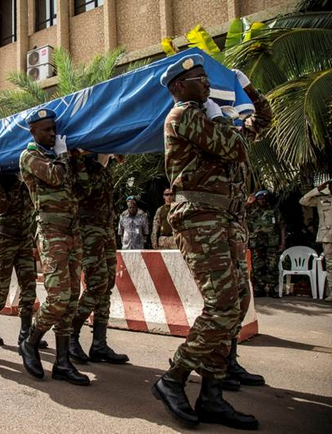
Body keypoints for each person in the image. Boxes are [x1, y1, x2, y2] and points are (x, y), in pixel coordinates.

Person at [152, 54, 258, 429]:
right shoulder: (184, 115)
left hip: (224, 218)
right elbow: (237, 147)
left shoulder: (208, 115)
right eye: (200, 79)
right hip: (200, 218)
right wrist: (228, 119)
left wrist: (251, 95)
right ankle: (173, 378)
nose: (208, 84)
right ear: (180, 87)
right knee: (223, 305)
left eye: (207, 78)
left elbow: (257, 126)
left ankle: (212, 396)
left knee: (237, 301)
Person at [18, 109, 90, 386]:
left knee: (71, 299)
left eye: (53, 129)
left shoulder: (61, 158)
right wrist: (63, 154)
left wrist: (80, 159)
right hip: (51, 231)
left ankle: (62, 362)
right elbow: (56, 178)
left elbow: (80, 189)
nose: (51, 133)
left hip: (72, 232)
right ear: (33, 131)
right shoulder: (30, 156)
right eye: (46, 129)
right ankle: (30, 341)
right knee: (58, 296)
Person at [224, 68, 272, 392]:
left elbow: (265, 119)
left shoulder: (239, 129)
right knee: (226, 298)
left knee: (241, 297)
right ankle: (217, 365)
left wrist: (249, 88)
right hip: (216, 223)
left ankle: (229, 360)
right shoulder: (212, 128)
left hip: (236, 223)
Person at [71, 153, 129, 365]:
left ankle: (99, 344)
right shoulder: (81, 165)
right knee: (96, 285)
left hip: (106, 230)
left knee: (107, 286)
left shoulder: (103, 170)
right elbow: (81, 192)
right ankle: (71, 334)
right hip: (89, 231)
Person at [0, 172, 48, 350]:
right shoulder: (5, 180)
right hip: (4, 238)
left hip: (24, 239)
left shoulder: (29, 184)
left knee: (29, 286)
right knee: (1, 287)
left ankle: (25, 333)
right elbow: (3, 206)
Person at [247, 190, 286, 298]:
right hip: (256, 244)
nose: (262, 201)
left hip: (272, 243)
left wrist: (283, 242)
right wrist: (248, 202)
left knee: (272, 266)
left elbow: (282, 226)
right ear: (257, 200)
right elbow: (241, 215)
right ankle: (259, 288)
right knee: (257, 267)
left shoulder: (274, 211)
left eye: (264, 199)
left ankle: (273, 288)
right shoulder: (252, 212)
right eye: (260, 199)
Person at [299, 179, 332, 302]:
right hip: (327, 236)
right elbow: (303, 201)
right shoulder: (321, 199)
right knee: (330, 265)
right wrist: (317, 189)